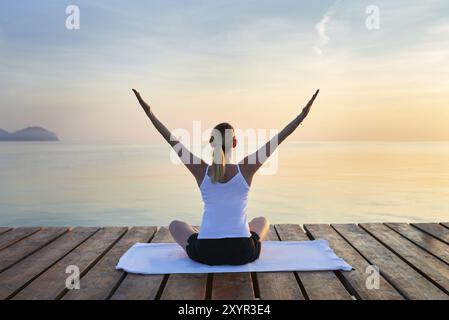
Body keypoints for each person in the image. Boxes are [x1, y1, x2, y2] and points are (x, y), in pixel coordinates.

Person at [132, 88, 319, 265]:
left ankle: (204, 233)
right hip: (243, 252)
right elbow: (277, 139)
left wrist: (149, 113)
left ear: (212, 143)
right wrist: (302, 116)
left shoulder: (201, 170)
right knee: (262, 221)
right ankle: (214, 234)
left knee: (175, 225)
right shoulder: (246, 168)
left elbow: (172, 140)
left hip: (207, 252)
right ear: (235, 142)